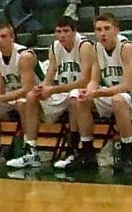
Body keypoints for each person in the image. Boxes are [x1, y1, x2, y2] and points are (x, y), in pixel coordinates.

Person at [72, 11, 132, 174]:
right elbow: (95, 80)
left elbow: (127, 86)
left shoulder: (127, 47)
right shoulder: (97, 47)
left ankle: (127, 152)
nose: (102, 33)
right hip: (116, 93)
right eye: (98, 29)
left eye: (107, 28)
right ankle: (87, 150)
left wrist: (96, 94)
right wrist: (89, 92)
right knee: (79, 98)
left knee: (119, 100)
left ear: (116, 30)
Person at [7, 15, 95, 170]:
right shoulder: (55, 46)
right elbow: (49, 76)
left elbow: (85, 81)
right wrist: (41, 87)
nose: (62, 35)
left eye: (66, 31)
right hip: (62, 90)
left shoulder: (85, 45)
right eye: (59, 31)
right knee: (30, 97)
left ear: (75, 32)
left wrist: (53, 89)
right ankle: (31, 150)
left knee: (75, 96)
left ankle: (73, 149)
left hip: (84, 91)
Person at [0, 21, 44, 165]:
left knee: (22, 103)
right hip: (13, 96)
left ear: (12, 37)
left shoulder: (24, 56)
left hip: (38, 96)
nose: (0, 41)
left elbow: (27, 89)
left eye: (3, 36)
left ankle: (30, 150)